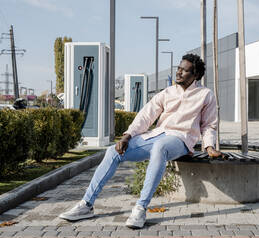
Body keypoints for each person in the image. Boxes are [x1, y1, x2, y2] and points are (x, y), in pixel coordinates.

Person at [59, 53, 222, 228]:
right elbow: (145, 115)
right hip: (158, 134)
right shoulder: (167, 92)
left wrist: (209, 146)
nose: (179, 73)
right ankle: (86, 205)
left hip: (181, 139)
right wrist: (127, 136)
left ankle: (140, 208)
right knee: (113, 151)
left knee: (160, 147)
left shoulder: (206, 95)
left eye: (185, 70)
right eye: (179, 68)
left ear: (195, 75)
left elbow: (209, 125)